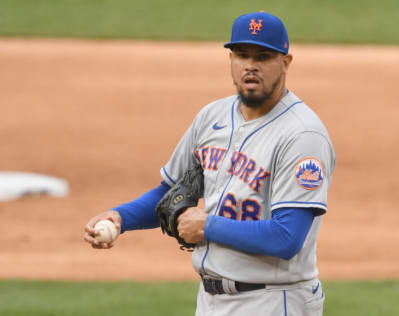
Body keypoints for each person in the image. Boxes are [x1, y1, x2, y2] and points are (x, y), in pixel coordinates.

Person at [84, 11, 335, 316]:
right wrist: (120, 217)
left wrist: (207, 225)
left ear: (286, 62)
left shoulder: (302, 135)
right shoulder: (211, 118)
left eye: (264, 56)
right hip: (211, 300)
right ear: (231, 59)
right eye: (242, 54)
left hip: (272, 301)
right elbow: (171, 191)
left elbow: (287, 237)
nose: (251, 65)